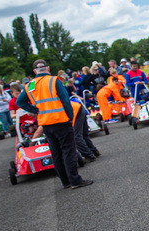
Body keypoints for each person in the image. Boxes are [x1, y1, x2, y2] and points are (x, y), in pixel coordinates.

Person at [17, 60, 93, 190]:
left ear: (35, 71)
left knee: (56, 153)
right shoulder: (54, 80)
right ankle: (75, 180)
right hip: (60, 120)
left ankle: (65, 182)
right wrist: (70, 117)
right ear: (48, 68)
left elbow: (20, 101)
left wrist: (35, 110)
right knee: (68, 151)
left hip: (46, 123)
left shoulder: (30, 85)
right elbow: (65, 101)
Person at [69, 94, 100, 162]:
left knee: (77, 137)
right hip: (77, 107)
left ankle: (89, 154)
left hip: (74, 111)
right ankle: (93, 151)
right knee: (83, 134)